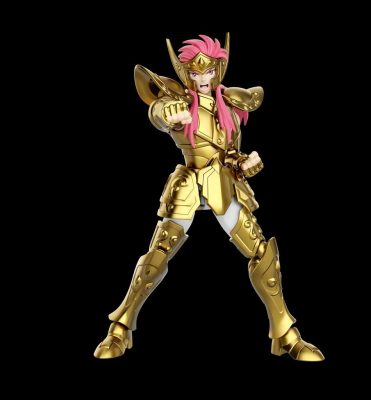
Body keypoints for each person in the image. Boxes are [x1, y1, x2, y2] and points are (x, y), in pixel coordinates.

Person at [94, 33, 324, 361]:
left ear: (219, 70)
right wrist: (169, 114)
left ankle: (286, 334)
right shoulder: (179, 101)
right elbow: (159, 110)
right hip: (189, 183)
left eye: (210, 71)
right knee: (158, 253)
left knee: (262, 254)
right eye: (195, 72)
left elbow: (230, 153)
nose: (203, 78)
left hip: (222, 183)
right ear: (186, 74)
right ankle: (119, 329)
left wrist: (244, 164)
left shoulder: (228, 105)